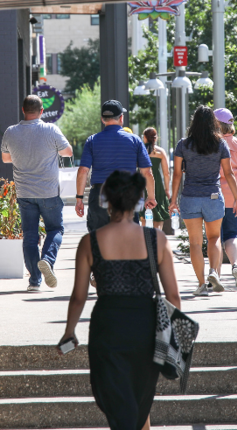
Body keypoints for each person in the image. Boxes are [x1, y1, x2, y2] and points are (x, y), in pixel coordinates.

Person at [59, 170, 180, 430]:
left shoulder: (89, 242)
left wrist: (69, 331)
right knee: (139, 399)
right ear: (138, 200)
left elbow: (79, 296)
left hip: (108, 327)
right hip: (145, 329)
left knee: (117, 402)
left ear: (106, 201)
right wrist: (171, 335)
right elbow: (173, 296)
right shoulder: (156, 239)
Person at [1, 95, 73, 292]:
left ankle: (34, 281)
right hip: (49, 191)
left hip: (24, 192)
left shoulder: (11, 132)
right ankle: (48, 260)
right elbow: (68, 152)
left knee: (30, 236)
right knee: (55, 229)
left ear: (23, 110)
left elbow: (6, 159)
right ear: (42, 112)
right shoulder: (50, 129)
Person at [169, 106, 237, 296]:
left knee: (194, 242)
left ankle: (201, 285)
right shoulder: (220, 144)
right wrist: (236, 198)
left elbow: (177, 174)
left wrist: (172, 200)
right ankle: (213, 272)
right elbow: (229, 173)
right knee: (214, 237)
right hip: (213, 197)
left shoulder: (183, 145)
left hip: (190, 197)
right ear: (213, 123)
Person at [75, 100, 156, 232]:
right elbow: (147, 172)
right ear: (121, 118)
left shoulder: (92, 140)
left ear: (102, 119)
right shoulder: (135, 140)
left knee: (99, 239)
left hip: (100, 194)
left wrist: (79, 198)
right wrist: (151, 197)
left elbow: (83, 170)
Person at [214, 108, 237, 288]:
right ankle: (235, 265)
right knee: (233, 233)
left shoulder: (213, 144)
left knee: (215, 236)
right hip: (236, 195)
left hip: (216, 194)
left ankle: (216, 274)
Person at [138, 127, 171, 229]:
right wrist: (166, 189)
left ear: (144, 138)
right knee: (158, 216)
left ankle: (144, 239)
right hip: (157, 185)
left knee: (143, 215)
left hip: (141, 183)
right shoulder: (160, 152)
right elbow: (166, 173)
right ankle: (157, 239)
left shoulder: (139, 151)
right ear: (155, 138)